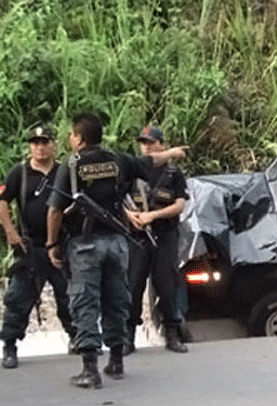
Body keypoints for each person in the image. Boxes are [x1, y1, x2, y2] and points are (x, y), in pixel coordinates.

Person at [46, 113, 185, 388]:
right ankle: (116, 360)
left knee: (85, 301)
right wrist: (171, 153)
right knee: (116, 299)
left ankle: (90, 369)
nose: (70, 138)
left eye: (72, 134)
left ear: (80, 138)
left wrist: (52, 244)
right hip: (117, 243)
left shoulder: (72, 165)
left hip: (85, 244)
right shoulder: (118, 160)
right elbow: (150, 161)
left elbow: (55, 210)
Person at [0, 125, 77, 369]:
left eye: (45, 142)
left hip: (61, 246)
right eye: (35, 143)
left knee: (70, 296)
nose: (40, 147)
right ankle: (10, 345)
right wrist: (11, 232)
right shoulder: (19, 173)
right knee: (18, 299)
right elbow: (2, 201)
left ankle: (78, 339)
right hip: (30, 247)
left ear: (54, 144)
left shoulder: (64, 171)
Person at [123, 126, 189, 355]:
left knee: (166, 284)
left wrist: (153, 215)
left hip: (165, 234)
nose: (146, 147)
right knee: (132, 285)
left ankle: (172, 333)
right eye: (143, 143)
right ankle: (128, 337)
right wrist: (131, 216)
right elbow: (119, 201)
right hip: (137, 237)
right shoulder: (133, 171)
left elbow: (179, 205)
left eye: (151, 142)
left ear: (162, 144)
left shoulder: (173, 173)